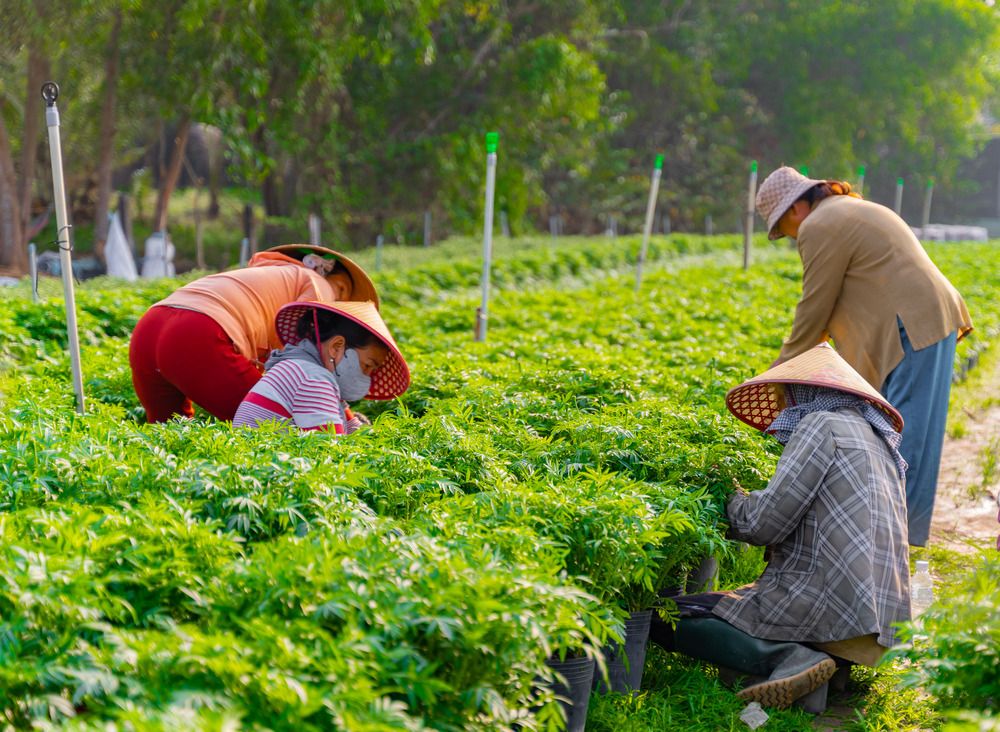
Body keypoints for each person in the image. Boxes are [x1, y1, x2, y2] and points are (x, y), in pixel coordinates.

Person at [650, 343, 910, 710]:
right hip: (882, 618)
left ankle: (788, 659)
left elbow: (763, 524)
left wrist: (731, 498)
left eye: (784, 396)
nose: (784, 405)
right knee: (740, 602)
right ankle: (828, 674)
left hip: (831, 606)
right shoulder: (877, 438)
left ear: (803, 393)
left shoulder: (819, 425)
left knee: (667, 614)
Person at [755, 166, 973, 546]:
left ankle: (894, 543)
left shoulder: (819, 225)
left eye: (783, 230)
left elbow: (814, 308)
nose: (789, 238)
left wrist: (781, 373)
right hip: (924, 316)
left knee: (907, 437)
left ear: (794, 210)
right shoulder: (847, 208)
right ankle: (897, 537)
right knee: (910, 433)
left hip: (911, 323)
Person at [129, 245, 378, 423]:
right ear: (336, 282)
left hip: (148, 329)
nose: (341, 308)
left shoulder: (271, 276)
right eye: (344, 296)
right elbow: (312, 360)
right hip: (199, 333)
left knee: (169, 436)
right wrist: (345, 419)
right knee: (273, 427)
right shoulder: (319, 285)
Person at [234, 300, 409, 433]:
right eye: (368, 365)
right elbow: (330, 451)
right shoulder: (313, 379)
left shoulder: (304, 368)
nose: (367, 376)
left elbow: (356, 431)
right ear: (336, 347)